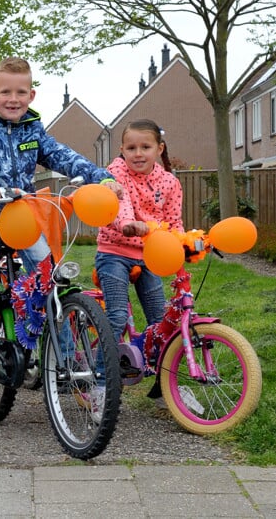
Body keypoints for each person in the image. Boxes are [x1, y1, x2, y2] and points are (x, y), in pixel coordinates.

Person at [0, 57, 123, 436]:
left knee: (55, 283)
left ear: (31, 94)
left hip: (24, 218)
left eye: (20, 92)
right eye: (5, 92)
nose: (13, 99)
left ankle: (62, 365)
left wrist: (101, 176)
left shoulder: (33, 126)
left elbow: (62, 155)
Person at [95, 119, 182, 403]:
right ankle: (99, 380)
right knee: (117, 315)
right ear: (122, 149)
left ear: (160, 149)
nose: (138, 153)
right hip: (114, 251)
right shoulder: (116, 172)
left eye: (146, 147)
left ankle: (165, 383)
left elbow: (173, 221)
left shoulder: (169, 181)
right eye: (131, 148)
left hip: (149, 254)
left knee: (161, 321)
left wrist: (183, 242)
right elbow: (122, 204)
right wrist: (126, 224)